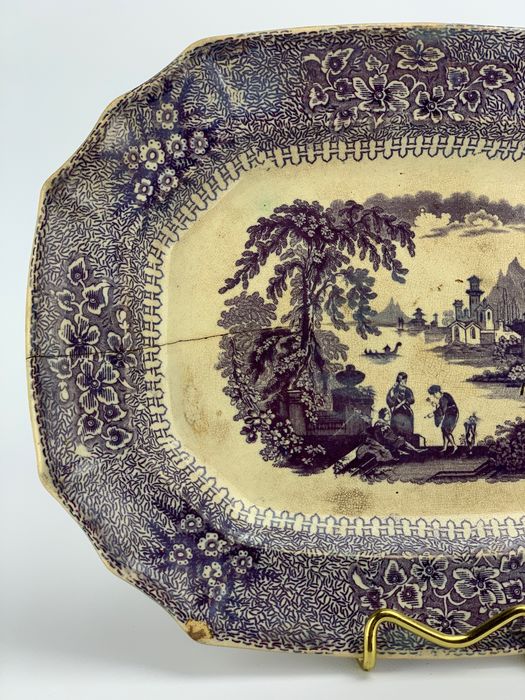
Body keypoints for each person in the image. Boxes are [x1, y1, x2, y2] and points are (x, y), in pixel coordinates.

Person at [426, 385, 459, 452]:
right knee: (444, 429)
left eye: (434, 395)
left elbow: (442, 410)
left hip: (452, 414)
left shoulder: (443, 399)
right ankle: (445, 447)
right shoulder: (445, 395)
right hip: (449, 414)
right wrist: (436, 406)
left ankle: (454, 446)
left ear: (437, 392)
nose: (434, 397)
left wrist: (433, 413)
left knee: (446, 430)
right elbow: (442, 408)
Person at [386, 371, 415, 439]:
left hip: (406, 412)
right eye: (400, 379)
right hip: (397, 413)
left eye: (404, 380)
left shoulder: (408, 390)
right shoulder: (393, 389)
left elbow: (412, 400)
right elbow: (389, 399)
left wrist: (406, 401)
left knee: (407, 430)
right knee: (396, 432)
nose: (402, 381)